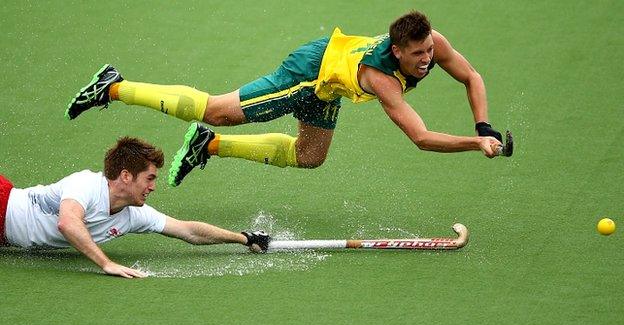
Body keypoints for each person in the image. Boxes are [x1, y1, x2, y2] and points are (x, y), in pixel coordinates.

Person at [65, 10, 505, 187]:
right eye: (417, 55)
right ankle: (114, 87)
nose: (427, 60)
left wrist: (482, 126)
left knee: (310, 155)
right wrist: (474, 144)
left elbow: (472, 76)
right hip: (307, 74)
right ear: (396, 51)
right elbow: (422, 138)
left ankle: (207, 146)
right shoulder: (383, 80)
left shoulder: (432, 43)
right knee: (220, 109)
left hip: (329, 83)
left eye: (429, 51)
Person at [0, 137, 270, 278]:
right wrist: (106, 264)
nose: (152, 187)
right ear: (126, 176)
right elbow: (68, 222)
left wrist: (243, 238)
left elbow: (188, 231)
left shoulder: (134, 215)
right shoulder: (85, 184)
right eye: (149, 178)